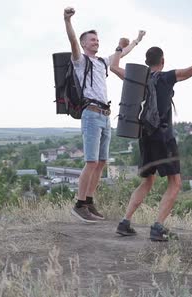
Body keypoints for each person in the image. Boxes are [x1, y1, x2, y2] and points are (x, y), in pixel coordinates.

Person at [110, 28, 192, 241]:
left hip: (144, 136)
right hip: (164, 137)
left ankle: (124, 222)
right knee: (175, 182)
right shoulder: (167, 77)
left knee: (147, 181)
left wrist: (120, 45)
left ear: (147, 62)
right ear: (162, 61)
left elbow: (113, 66)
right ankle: (157, 227)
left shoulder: (136, 78)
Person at [63, 7, 145, 223]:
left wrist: (136, 40)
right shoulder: (80, 61)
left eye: (97, 40)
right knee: (91, 162)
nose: (96, 42)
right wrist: (67, 20)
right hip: (90, 114)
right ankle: (79, 205)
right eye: (91, 40)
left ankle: (89, 202)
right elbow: (72, 41)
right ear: (83, 44)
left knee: (100, 163)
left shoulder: (101, 62)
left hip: (105, 115)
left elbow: (121, 53)